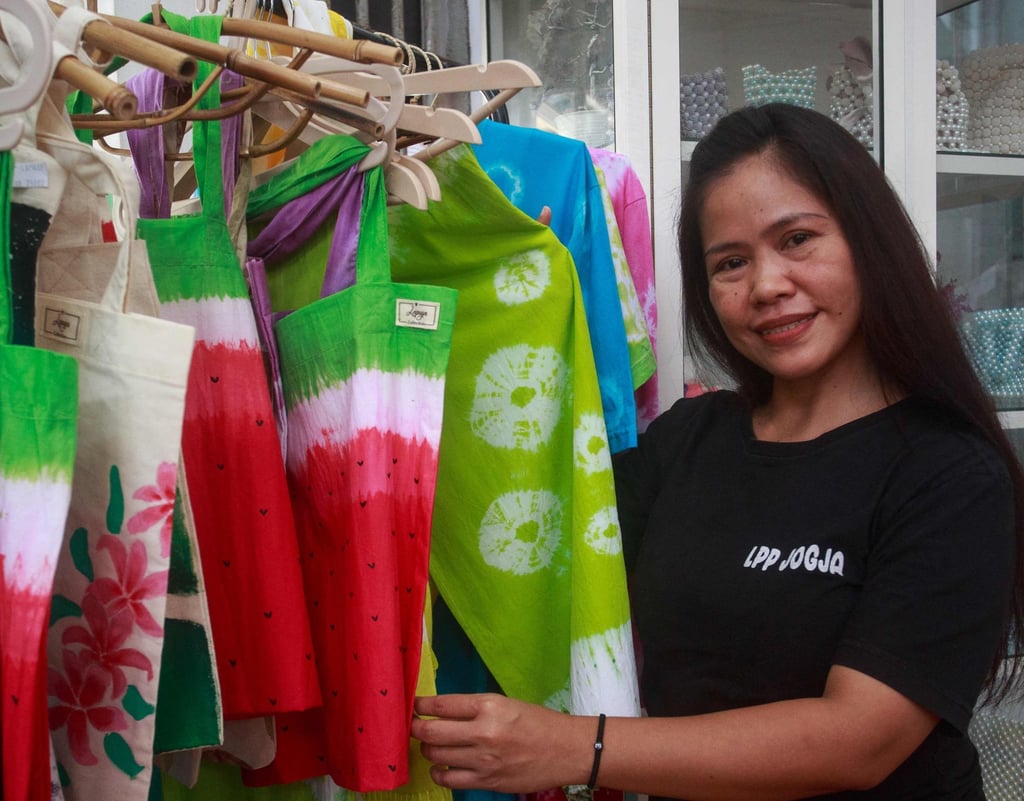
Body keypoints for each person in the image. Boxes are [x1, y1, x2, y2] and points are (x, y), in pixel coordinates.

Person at [410, 103, 1024, 800]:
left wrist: (577, 747)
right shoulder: (687, 439)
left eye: (796, 239)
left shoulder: (948, 472)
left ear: (867, 242)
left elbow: (860, 739)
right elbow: (543, 541)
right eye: (730, 262)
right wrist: (502, 305)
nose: (765, 286)